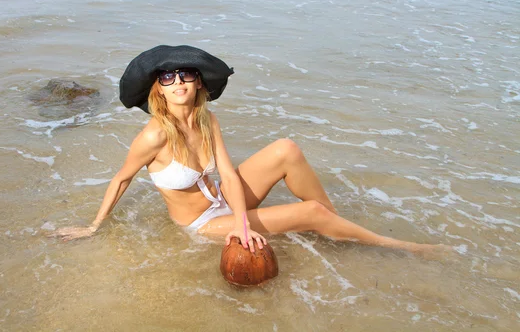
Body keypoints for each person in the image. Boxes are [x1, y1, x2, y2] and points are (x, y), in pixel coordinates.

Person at [50, 45, 444, 255]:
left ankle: (334, 227)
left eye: (187, 74)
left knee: (286, 148)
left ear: (200, 84)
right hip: (201, 224)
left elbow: (229, 174)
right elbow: (120, 179)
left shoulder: (208, 121)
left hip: (223, 201)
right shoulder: (154, 137)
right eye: (167, 77)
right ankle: (403, 247)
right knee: (309, 211)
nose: (178, 82)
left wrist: (241, 220)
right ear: (159, 89)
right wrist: (93, 226)